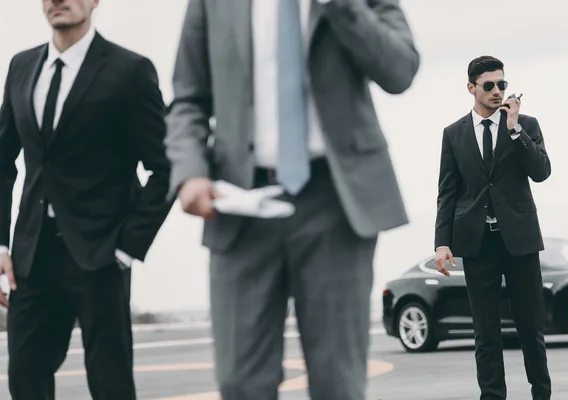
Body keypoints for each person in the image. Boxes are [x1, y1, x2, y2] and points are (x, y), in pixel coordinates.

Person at [164, 0, 419, 399]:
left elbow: (400, 70)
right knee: (240, 383)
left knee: (338, 384)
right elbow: (188, 100)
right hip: (239, 205)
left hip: (336, 205)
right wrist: (191, 172)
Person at [0, 0, 172, 398]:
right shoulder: (21, 67)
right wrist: (3, 243)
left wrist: (128, 248)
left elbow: (166, 167)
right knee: (25, 380)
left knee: (109, 384)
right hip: (33, 257)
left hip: (101, 256)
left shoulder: (129, 71)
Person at [434, 55, 552, 400]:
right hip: (477, 244)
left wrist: (514, 129)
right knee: (485, 334)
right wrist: (443, 243)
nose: (498, 91)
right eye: (489, 85)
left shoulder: (525, 125)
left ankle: (541, 395)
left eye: (502, 84)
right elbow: (448, 192)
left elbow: (541, 171)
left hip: (520, 241)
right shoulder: (453, 134)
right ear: (471, 88)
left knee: (531, 328)